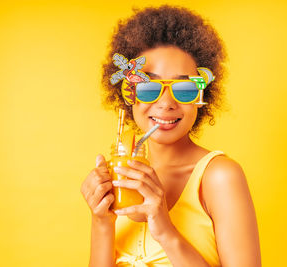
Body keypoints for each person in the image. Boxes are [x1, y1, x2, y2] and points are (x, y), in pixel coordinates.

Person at [80, 5, 261, 267]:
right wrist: (101, 221)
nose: (166, 103)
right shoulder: (118, 177)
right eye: (148, 87)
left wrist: (164, 229)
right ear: (128, 94)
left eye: (185, 89)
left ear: (201, 98)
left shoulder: (220, 177)